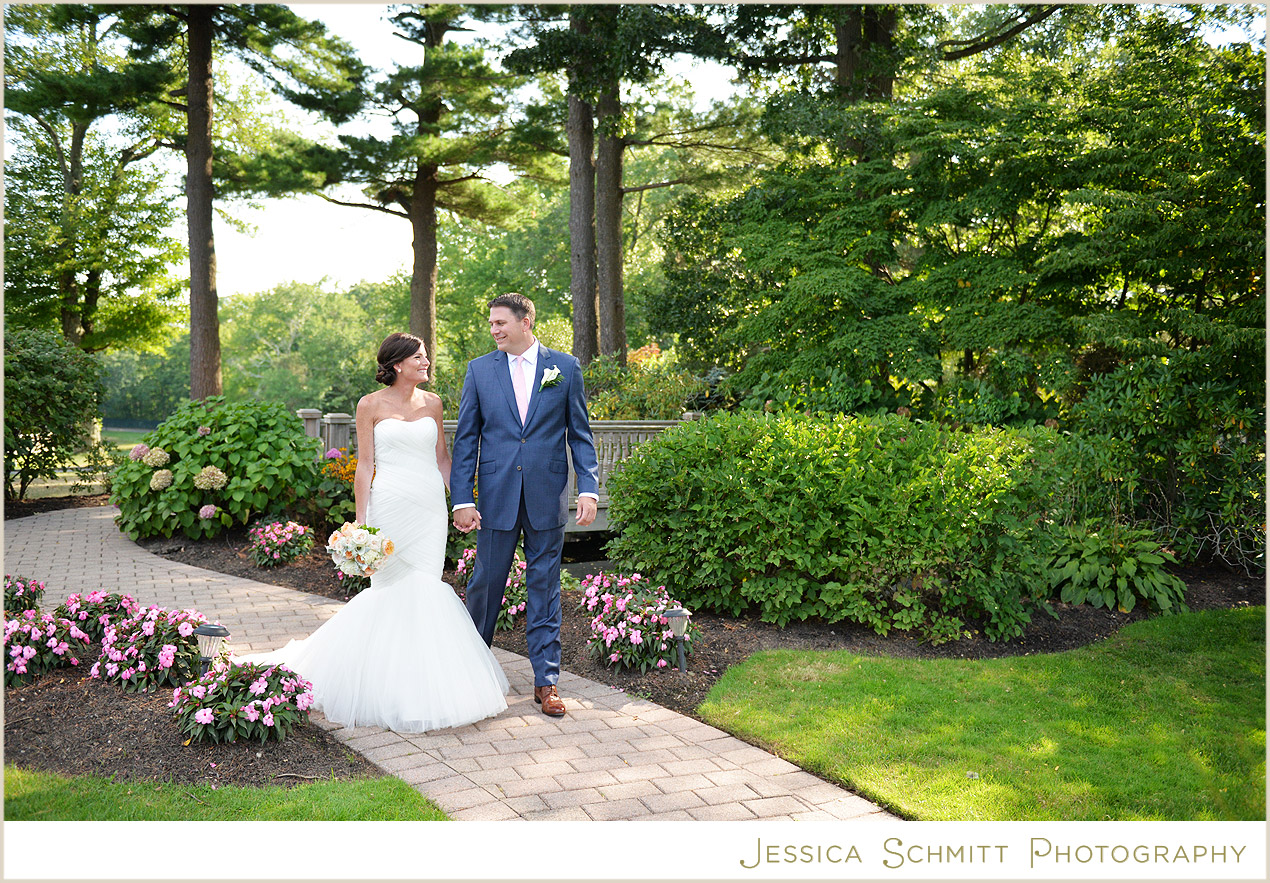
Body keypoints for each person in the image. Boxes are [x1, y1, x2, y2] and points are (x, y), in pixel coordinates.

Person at [239, 333, 508, 733]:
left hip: (429, 509)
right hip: (389, 506)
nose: (426, 362)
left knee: (426, 587)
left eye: (425, 356)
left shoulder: (433, 403)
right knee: (387, 590)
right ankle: (379, 685)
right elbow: (365, 466)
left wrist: (461, 503)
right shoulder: (369, 404)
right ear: (398, 364)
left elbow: (442, 458)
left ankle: (422, 685)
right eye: (419, 357)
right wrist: (360, 524)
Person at [451, 294, 600, 717]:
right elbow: (466, 440)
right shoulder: (480, 370)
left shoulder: (565, 367)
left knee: (545, 589)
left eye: (500, 322)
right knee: (485, 586)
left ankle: (546, 682)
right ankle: (471, 675)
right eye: (491, 323)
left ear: (525, 322)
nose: (494, 329)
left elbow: (580, 434)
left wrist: (587, 489)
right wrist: (462, 498)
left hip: (546, 495)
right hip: (495, 496)